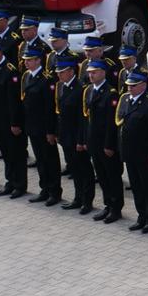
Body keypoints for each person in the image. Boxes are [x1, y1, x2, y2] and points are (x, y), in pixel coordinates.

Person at [118, 72, 148, 232]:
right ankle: (141, 216)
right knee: (137, 186)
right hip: (130, 153)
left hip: (145, 155)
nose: (129, 87)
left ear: (143, 85)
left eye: (133, 85)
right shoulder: (127, 100)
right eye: (129, 85)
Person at [19, 46, 61, 206]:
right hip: (32, 126)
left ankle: (54, 191)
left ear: (39, 60)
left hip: (44, 128)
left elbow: (50, 109)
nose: (27, 63)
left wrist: (51, 131)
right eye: (26, 60)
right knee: (41, 160)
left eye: (30, 60)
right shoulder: (27, 77)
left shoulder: (46, 79)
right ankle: (45, 188)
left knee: (50, 160)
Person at [0, 39, 26, 198]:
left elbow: (14, 101)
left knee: (16, 154)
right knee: (7, 154)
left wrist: (15, 123)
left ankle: (19, 185)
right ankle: (10, 181)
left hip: (10, 122)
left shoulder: (10, 71)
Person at [83, 59, 124, 223]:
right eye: (89, 72)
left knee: (112, 176)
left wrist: (109, 144)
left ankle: (116, 208)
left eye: (94, 72)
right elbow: (88, 119)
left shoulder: (111, 93)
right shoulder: (90, 90)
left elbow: (111, 123)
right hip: (94, 142)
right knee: (101, 176)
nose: (91, 75)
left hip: (106, 144)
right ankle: (108, 205)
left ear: (103, 73)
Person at [52, 57, 93, 213]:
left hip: (77, 138)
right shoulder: (63, 87)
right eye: (58, 73)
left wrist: (81, 140)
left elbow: (83, 119)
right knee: (75, 169)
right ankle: (78, 197)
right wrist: (58, 134)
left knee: (84, 170)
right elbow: (60, 113)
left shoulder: (81, 89)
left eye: (62, 72)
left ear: (71, 71)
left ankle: (87, 201)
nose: (59, 76)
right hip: (66, 137)